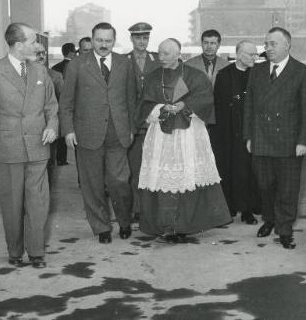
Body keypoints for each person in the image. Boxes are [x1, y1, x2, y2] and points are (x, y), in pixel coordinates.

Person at [0, 22, 58, 269]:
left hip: (37, 147)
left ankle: (36, 252)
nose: (37, 45)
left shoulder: (41, 72)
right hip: (7, 149)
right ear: (18, 44)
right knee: (12, 204)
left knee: (38, 202)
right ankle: (14, 250)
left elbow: (51, 106)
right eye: (33, 41)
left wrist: (52, 127)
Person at [137, 38, 231, 242]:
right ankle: (164, 225)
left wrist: (184, 106)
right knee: (162, 178)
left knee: (189, 176)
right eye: (160, 53)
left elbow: (206, 100)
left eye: (167, 53)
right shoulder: (153, 77)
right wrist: (160, 108)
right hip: (161, 137)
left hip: (189, 135)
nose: (161, 57)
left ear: (178, 54)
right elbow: (144, 104)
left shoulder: (194, 75)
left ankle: (187, 225)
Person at [59, 22, 136, 244]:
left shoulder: (124, 63)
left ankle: (124, 221)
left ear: (114, 40)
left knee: (119, 181)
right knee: (92, 184)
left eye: (108, 41)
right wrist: (68, 130)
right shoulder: (76, 64)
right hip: (87, 134)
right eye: (99, 40)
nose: (103, 45)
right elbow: (66, 102)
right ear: (92, 40)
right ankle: (101, 226)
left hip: (118, 133)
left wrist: (131, 128)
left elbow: (131, 99)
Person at [244, 27, 306, 249]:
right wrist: (248, 136)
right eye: (266, 44)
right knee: (265, 185)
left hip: (289, 141)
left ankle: (284, 229)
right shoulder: (257, 72)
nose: (268, 48)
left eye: (273, 44)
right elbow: (249, 106)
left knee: (287, 188)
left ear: (288, 45)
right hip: (261, 139)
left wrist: (304, 140)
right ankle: (270, 219)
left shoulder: (303, 72)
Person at [214, 40, 261, 224]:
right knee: (229, 170)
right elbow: (219, 106)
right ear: (239, 54)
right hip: (229, 133)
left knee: (249, 172)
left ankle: (248, 210)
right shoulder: (224, 75)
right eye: (251, 54)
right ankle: (230, 208)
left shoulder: (258, 74)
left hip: (251, 132)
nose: (254, 58)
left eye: (256, 54)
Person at [125, 22, 161, 222]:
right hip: (134, 125)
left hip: (154, 124)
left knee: (155, 167)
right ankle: (138, 209)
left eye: (145, 38)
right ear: (131, 39)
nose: (142, 41)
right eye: (138, 37)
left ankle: (153, 208)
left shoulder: (157, 59)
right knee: (135, 168)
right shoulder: (123, 61)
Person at [35, 44, 64, 189]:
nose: (41, 56)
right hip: (28, 128)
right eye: (37, 53)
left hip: (49, 127)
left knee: (49, 161)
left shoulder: (55, 76)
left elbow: (62, 102)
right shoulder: (21, 76)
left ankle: (46, 190)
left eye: (43, 53)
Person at [51, 42, 77, 166]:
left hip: (57, 103)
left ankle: (60, 159)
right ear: (71, 52)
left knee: (61, 131)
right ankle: (63, 158)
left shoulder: (55, 68)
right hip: (72, 104)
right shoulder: (76, 66)